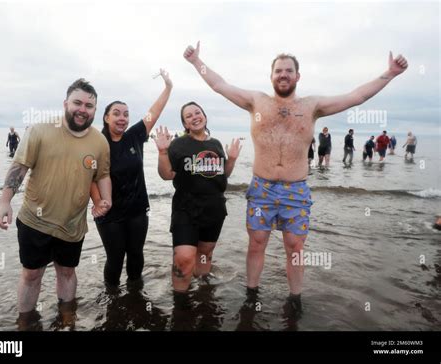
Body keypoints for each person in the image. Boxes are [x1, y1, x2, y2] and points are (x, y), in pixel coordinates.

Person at [183, 41, 408, 317]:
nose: (283, 75)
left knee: (295, 246)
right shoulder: (256, 101)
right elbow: (219, 84)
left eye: (289, 71)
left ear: (297, 76)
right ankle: (251, 293)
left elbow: (357, 96)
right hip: (261, 188)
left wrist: (390, 74)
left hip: (295, 190)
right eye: (278, 71)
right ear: (271, 76)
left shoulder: (313, 106)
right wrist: (196, 62)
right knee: (256, 243)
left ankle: (295, 298)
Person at [0, 79, 111, 328]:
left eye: (89, 105)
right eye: (77, 102)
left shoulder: (100, 142)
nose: (82, 109)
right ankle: (25, 322)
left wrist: (104, 200)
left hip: (72, 224)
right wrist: (5, 201)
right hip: (35, 220)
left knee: (67, 272)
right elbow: (19, 167)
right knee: (32, 273)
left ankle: (67, 318)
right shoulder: (40, 130)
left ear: (95, 110)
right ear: (65, 103)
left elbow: (101, 175)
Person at [90, 69, 173, 287]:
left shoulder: (134, 136)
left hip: (137, 210)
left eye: (126, 114)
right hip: (109, 213)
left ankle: (136, 295)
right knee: (115, 258)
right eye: (116, 113)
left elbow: (154, 112)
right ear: (106, 117)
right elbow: (89, 176)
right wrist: (98, 202)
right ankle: (112, 296)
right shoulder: (97, 143)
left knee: (136, 254)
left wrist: (168, 88)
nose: (122, 118)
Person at [154, 101, 241, 293]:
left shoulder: (216, 144)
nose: (194, 117)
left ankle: (203, 293)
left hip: (214, 209)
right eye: (189, 116)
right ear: (185, 124)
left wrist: (232, 159)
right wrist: (162, 152)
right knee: (184, 258)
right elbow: (166, 174)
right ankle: (180, 304)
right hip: (186, 209)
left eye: (197, 112)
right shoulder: (178, 145)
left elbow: (222, 174)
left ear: (204, 116)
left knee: (205, 254)